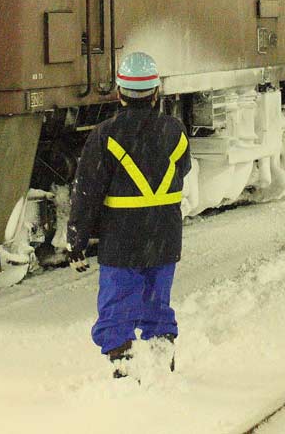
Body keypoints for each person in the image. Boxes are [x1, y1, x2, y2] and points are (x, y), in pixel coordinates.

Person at [67, 51, 190, 378]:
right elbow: (184, 169)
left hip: (121, 237)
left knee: (117, 304)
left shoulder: (105, 135)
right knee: (157, 301)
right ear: (156, 92)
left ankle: (123, 362)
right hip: (164, 234)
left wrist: (77, 241)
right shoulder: (175, 130)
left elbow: (87, 192)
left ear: (119, 92)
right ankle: (161, 350)